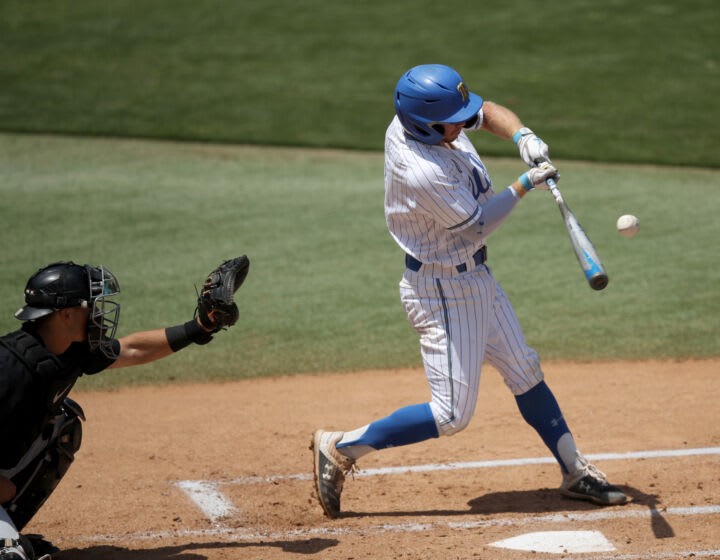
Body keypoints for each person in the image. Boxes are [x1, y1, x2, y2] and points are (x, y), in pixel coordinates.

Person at [311, 64, 627, 519]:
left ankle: (575, 471)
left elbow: (490, 113)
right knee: (451, 416)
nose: (464, 124)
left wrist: (523, 137)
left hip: (473, 278)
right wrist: (525, 183)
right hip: (440, 289)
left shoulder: (430, 120)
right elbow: (476, 227)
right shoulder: (422, 170)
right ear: (427, 124)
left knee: (524, 368)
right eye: (455, 119)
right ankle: (340, 447)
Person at [0, 259, 247, 559]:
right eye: (90, 305)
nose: (98, 312)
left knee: (65, 425)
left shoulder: (67, 349)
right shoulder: (10, 370)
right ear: (66, 314)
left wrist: (200, 327)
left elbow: (131, 350)